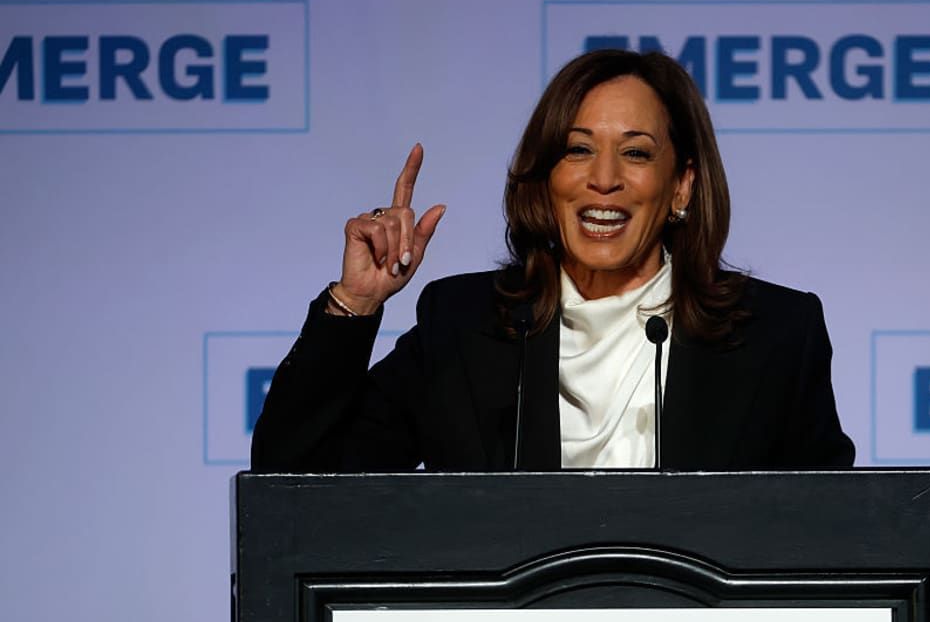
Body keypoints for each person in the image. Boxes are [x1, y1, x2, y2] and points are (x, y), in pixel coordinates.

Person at [250, 50, 854, 472]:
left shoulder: (776, 334)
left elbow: (831, 543)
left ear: (681, 187)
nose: (604, 180)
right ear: (545, 179)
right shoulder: (465, 326)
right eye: (578, 150)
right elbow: (297, 483)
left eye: (637, 153)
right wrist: (354, 304)